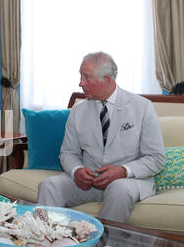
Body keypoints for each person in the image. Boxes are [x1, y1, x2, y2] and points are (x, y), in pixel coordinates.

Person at [38, 52, 166, 223]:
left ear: (107, 79)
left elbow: (156, 158)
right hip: (89, 182)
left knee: (119, 189)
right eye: (80, 76)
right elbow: (68, 153)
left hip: (129, 181)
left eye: (87, 77)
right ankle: (44, 242)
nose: (80, 83)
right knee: (48, 186)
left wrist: (123, 170)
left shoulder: (142, 107)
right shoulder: (78, 111)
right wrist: (77, 171)